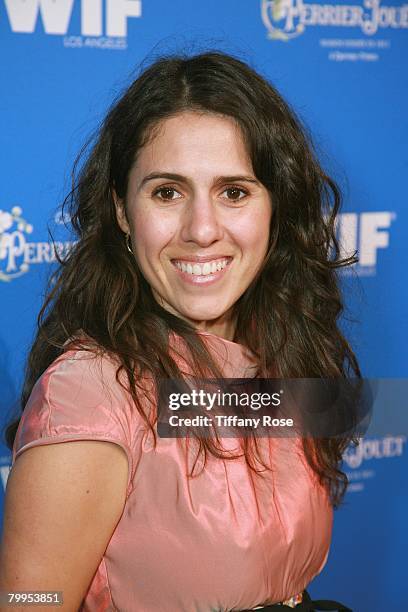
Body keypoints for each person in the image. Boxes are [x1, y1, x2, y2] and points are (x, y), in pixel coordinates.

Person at [0, 50, 359, 611]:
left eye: (233, 192)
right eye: (167, 192)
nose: (202, 229)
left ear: (274, 208)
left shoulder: (272, 356)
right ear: (122, 210)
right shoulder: (88, 395)